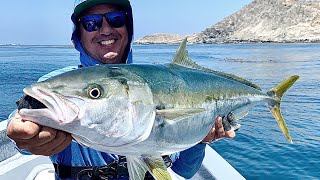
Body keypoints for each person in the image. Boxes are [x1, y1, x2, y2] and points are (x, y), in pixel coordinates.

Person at [6, 0, 236, 179]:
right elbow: (25, 118)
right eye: (91, 23)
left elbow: (183, 171)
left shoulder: (160, 83)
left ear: (128, 28)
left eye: (116, 19)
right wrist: (23, 139)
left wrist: (200, 140)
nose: (105, 29)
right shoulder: (58, 82)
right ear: (78, 35)